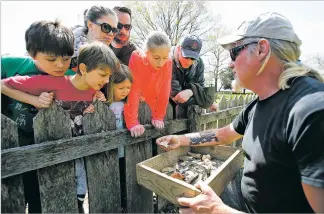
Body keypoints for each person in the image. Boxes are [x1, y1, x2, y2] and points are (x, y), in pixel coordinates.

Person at [156, 12, 324, 213]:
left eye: (234, 52)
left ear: (262, 49)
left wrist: (217, 211)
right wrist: (181, 140)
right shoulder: (260, 103)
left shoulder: (311, 111)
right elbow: (223, 134)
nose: (230, 63)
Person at [2, 41, 120, 213]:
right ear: (84, 68)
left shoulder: (94, 93)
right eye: (103, 74)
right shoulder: (54, 83)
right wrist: (34, 100)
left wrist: (91, 113)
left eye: (109, 76)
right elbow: (3, 85)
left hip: (77, 162)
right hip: (49, 159)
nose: (107, 80)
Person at [1, 19, 75, 213]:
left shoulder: (68, 74)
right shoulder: (11, 65)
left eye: (66, 58)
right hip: (10, 143)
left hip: (45, 144)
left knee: (40, 197)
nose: (60, 65)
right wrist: (32, 99)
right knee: (11, 197)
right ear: (32, 53)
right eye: (51, 59)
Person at [124, 31, 172, 137]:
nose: (161, 63)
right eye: (156, 57)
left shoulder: (168, 62)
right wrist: (132, 122)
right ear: (146, 52)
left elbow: (165, 89)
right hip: (137, 103)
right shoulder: (136, 58)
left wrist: (159, 116)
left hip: (155, 101)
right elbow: (134, 89)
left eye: (164, 58)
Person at [170, 34, 217, 111]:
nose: (189, 62)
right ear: (179, 49)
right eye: (186, 57)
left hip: (190, 113)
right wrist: (206, 101)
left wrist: (190, 92)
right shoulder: (168, 61)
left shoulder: (199, 63)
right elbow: (177, 96)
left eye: (193, 58)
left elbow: (201, 85)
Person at [105, 64, 133, 157]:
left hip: (126, 146)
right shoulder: (105, 105)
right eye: (121, 88)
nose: (125, 91)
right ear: (110, 85)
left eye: (128, 87)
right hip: (109, 148)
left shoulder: (128, 104)